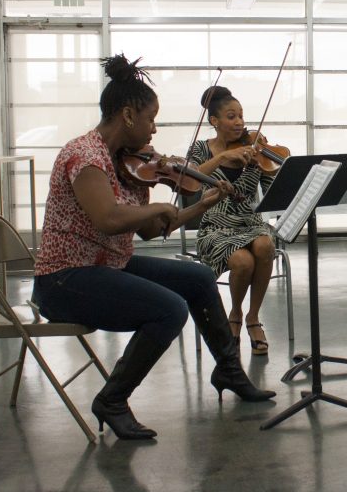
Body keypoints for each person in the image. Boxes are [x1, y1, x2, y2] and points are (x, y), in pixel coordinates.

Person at [32, 55, 275, 441]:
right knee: (169, 309)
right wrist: (160, 204)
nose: (154, 129)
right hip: (65, 280)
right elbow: (107, 220)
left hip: (109, 265)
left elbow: (147, 231)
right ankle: (113, 399)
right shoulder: (86, 156)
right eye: (150, 119)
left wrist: (199, 205)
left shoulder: (129, 165)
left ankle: (228, 370)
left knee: (196, 278)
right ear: (128, 116)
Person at [189, 86, 276, 355]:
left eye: (240, 115)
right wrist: (223, 157)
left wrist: (268, 160)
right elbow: (189, 179)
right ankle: (236, 313)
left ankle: (253, 316)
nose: (239, 122)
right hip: (216, 226)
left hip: (250, 222)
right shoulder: (202, 149)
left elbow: (273, 190)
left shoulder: (254, 148)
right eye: (230, 116)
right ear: (215, 121)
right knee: (242, 261)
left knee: (264, 246)